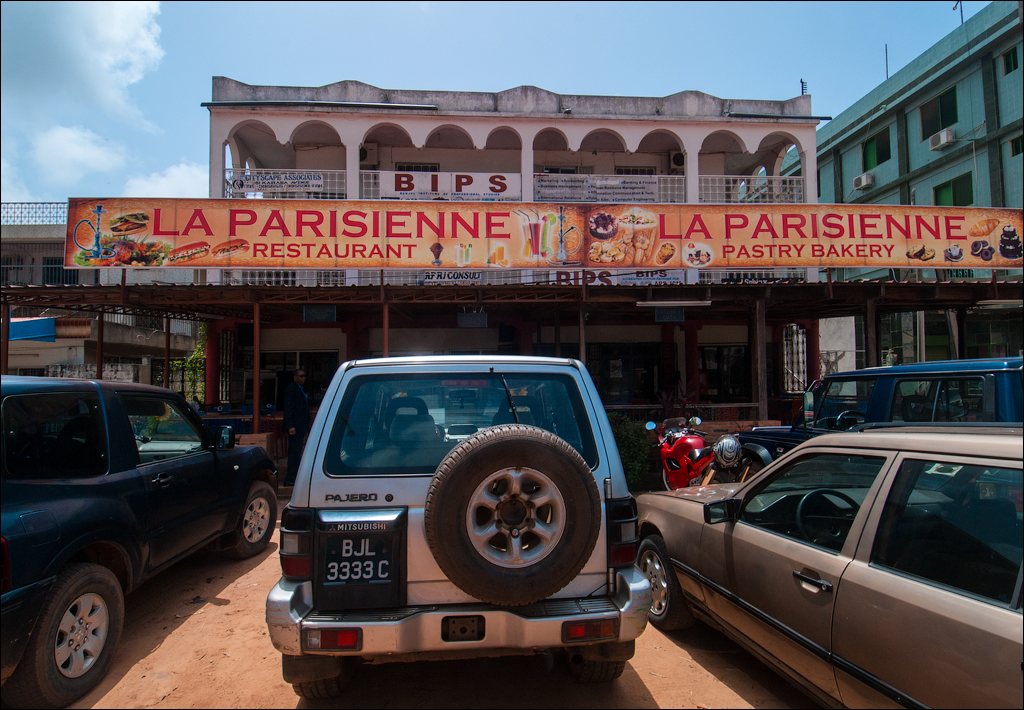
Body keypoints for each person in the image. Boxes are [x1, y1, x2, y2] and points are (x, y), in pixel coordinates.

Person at [283, 368, 310, 487]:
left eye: (304, 376)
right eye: (301, 376)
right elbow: (288, 408)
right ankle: (290, 477)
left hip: (300, 425)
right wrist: (291, 426)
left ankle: (294, 476)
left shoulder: (300, 389)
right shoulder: (292, 389)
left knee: (298, 450)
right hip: (295, 426)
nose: (303, 378)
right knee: (294, 451)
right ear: (295, 377)